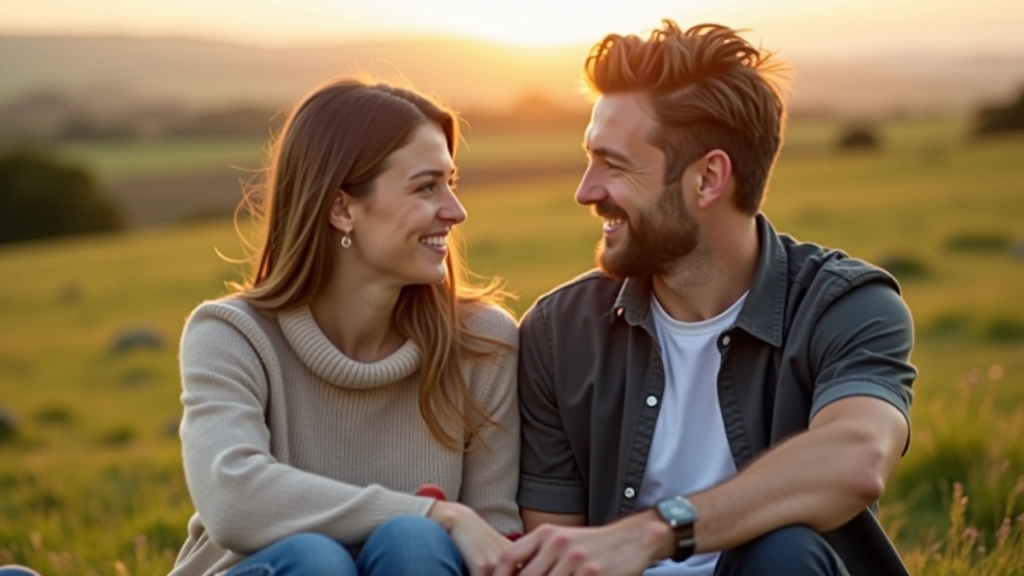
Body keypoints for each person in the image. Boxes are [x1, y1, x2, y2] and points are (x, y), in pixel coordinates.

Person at [498, 20, 917, 576]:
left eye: (614, 164)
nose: (586, 190)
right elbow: (556, 549)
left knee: (785, 550)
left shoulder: (844, 305)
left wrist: (653, 533)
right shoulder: (559, 332)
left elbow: (857, 457)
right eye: (590, 158)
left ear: (707, 179)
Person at [169, 78, 522, 576]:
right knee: (316, 558)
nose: (455, 211)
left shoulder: (484, 343)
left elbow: (492, 539)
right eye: (426, 187)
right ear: (342, 209)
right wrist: (435, 512)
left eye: (451, 183)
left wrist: (430, 527)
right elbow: (234, 499)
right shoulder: (231, 335)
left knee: (414, 543)